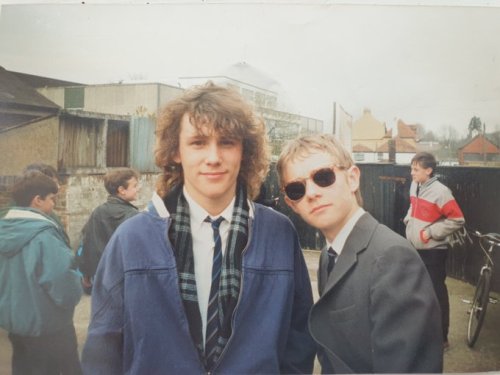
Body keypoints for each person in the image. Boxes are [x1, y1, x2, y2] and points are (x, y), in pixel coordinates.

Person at [81, 82, 316, 374]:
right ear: (176, 151)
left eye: (227, 142)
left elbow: (299, 337)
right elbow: (102, 348)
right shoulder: (132, 239)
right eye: (198, 142)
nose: (214, 157)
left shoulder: (279, 234)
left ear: (245, 150)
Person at [276, 133, 443, 374]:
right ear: (292, 204)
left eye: (323, 177)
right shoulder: (329, 256)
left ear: (352, 179)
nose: (311, 193)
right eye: (296, 189)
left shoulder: (393, 258)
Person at [0, 171, 83, 375]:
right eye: (52, 199)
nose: (54, 204)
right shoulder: (44, 236)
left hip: (16, 325)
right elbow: (64, 283)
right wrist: (74, 294)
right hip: (49, 327)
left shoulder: (4, 229)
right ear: (37, 200)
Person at [404, 151, 465, 349]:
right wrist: (409, 220)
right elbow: (413, 207)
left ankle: (441, 338)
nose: (411, 173)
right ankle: (421, 333)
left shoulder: (441, 192)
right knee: (417, 293)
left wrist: (429, 233)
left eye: (416, 169)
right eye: (411, 168)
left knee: (436, 293)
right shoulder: (415, 185)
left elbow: (457, 220)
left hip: (434, 251)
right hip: (415, 249)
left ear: (428, 171)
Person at [78, 168, 140, 293]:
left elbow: (86, 243)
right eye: (135, 185)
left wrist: (86, 274)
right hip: (125, 276)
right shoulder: (134, 216)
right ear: (122, 190)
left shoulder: (98, 211)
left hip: (101, 275)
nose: (138, 188)